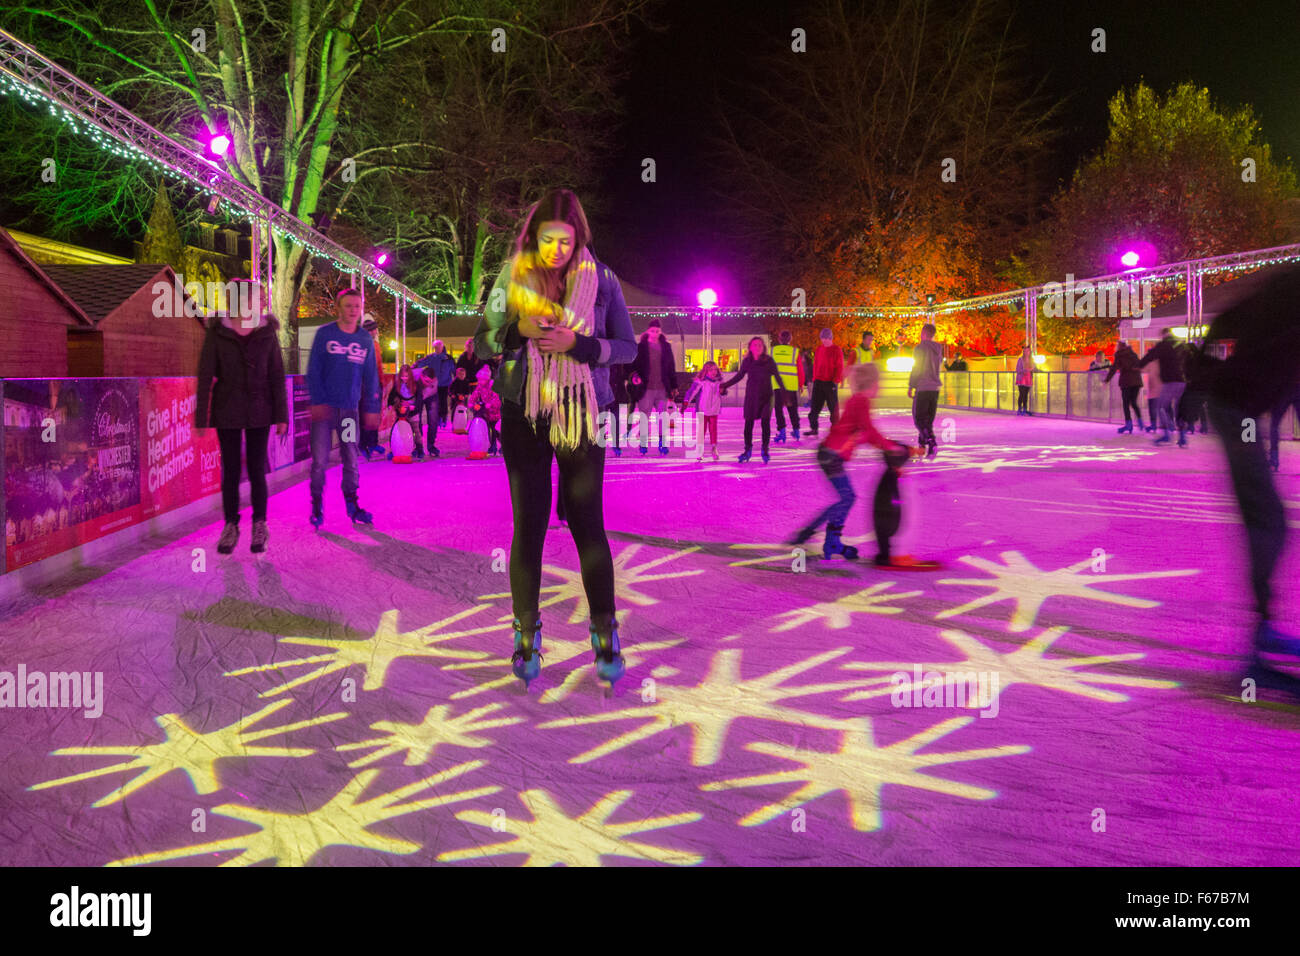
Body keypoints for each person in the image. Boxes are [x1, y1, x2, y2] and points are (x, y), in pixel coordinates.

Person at [472, 188, 637, 687]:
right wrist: (517, 330)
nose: (555, 250)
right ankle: (526, 632)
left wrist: (580, 344)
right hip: (525, 411)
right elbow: (481, 342)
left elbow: (627, 348)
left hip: (583, 413)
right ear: (533, 235)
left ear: (578, 237)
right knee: (530, 525)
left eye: (565, 241)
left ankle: (605, 634)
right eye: (547, 239)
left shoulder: (603, 280)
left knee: (589, 523)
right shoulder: (511, 276)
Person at [1196, 263, 1300, 688]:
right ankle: (1261, 638)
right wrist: (1211, 373)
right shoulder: (1290, 288)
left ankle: (1264, 632)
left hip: (1240, 403)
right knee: (1267, 520)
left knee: (1270, 521)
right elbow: (1227, 328)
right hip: (1235, 408)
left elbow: (1227, 324)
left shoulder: (1286, 286)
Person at [787, 362, 919, 561]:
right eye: (879, 383)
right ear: (872, 383)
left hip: (830, 454)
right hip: (831, 455)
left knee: (846, 498)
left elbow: (868, 436)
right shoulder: (861, 401)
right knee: (847, 498)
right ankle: (817, 533)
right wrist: (892, 447)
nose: (880, 387)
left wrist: (892, 447)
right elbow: (871, 432)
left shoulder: (857, 401)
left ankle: (827, 538)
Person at [195, 281, 288, 554]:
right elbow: (205, 375)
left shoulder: (267, 333)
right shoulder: (217, 333)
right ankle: (231, 525)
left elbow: (277, 375)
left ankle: (260, 523)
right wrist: (202, 416)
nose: (263, 303)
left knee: (257, 469)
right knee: (231, 470)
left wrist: (282, 415)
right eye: (259, 298)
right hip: (228, 408)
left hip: (260, 408)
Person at [306, 288, 381, 526]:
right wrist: (317, 401)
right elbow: (314, 370)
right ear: (338, 308)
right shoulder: (325, 334)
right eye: (348, 306)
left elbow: (370, 377)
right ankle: (316, 506)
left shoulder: (364, 338)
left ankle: (352, 503)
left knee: (350, 456)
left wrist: (371, 407)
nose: (352, 311)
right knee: (319, 461)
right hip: (324, 412)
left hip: (349, 411)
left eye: (357, 307)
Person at [721, 336, 780, 463]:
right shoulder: (747, 361)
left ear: (763, 347)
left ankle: (765, 449)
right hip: (752, 396)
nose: (758, 347)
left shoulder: (769, 360)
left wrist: (785, 392)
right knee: (749, 424)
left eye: (760, 345)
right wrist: (725, 385)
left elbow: (777, 376)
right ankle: (747, 450)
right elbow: (739, 376)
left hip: (766, 396)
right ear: (750, 347)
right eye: (755, 345)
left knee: (765, 423)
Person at [629, 319, 678, 455]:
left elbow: (671, 367)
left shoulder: (666, 347)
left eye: (657, 331)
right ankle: (643, 444)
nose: (655, 333)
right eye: (652, 331)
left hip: (662, 389)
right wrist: (634, 376)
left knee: (662, 417)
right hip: (646, 389)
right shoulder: (641, 347)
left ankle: (663, 444)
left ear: (660, 331)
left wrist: (674, 386)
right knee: (644, 417)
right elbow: (633, 365)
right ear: (648, 331)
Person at [1138, 328, 1187, 446]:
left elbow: (1151, 355)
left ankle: (1166, 435)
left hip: (1170, 382)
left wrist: (1139, 364)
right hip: (1182, 382)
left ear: (1164, 335)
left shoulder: (1164, 345)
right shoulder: (1181, 345)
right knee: (1179, 410)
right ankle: (1182, 438)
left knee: (1161, 407)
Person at [908, 323, 942, 458]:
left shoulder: (919, 348)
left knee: (918, 419)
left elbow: (917, 368)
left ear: (923, 333)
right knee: (927, 420)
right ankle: (922, 445)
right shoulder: (938, 348)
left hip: (923, 387)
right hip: (935, 388)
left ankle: (931, 441)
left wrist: (911, 385)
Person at [682, 360, 723, 461]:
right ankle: (699, 450)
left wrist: (723, 390)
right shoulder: (701, 382)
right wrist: (685, 403)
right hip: (702, 410)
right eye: (711, 370)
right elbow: (691, 392)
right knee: (701, 431)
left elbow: (723, 392)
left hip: (714, 409)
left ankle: (714, 448)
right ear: (706, 371)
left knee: (713, 429)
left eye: (715, 370)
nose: (714, 372)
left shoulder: (719, 382)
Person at [807, 328, 844, 435]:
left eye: (826, 338)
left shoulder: (837, 350)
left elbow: (839, 366)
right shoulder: (819, 349)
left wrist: (836, 380)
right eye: (823, 338)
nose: (824, 340)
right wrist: (814, 378)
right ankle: (814, 428)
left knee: (833, 407)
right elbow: (816, 365)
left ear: (830, 338)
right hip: (818, 382)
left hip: (830, 383)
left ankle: (836, 428)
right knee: (814, 407)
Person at [359, 317, 386, 459]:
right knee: (366, 415)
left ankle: (373, 442)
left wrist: (381, 382)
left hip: (376, 384)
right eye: (374, 329)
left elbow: (378, 366)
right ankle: (363, 444)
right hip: (367, 384)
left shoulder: (375, 345)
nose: (376, 331)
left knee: (375, 414)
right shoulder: (362, 344)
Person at [1105, 340, 1144, 433]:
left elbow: (1114, 368)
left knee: (1126, 403)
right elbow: (1139, 365)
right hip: (1136, 382)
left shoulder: (1119, 355)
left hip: (1126, 382)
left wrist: (1107, 380)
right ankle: (1140, 421)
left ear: (1120, 346)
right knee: (1133, 402)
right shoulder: (1133, 354)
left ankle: (1129, 424)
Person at [771, 330, 804, 442]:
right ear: (790, 339)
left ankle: (782, 432)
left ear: (779, 339)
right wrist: (801, 384)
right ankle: (796, 431)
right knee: (792, 409)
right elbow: (800, 369)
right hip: (790, 385)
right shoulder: (795, 352)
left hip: (777, 385)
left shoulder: (773, 351)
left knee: (778, 409)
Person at [387, 364, 425, 459]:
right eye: (402, 376)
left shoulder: (416, 385)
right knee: (396, 431)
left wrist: (414, 407)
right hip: (401, 412)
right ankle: (395, 449)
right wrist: (390, 404)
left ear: (410, 376)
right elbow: (391, 396)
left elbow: (420, 400)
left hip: (413, 412)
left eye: (406, 376)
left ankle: (420, 449)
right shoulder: (397, 386)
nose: (404, 378)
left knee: (416, 430)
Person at [416, 340, 456, 429]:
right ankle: (436, 419)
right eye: (436, 347)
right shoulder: (431, 357)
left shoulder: (448, 358)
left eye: (439, 347)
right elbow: (421, 363)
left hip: (445, 384)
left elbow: (454, 370)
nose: (437, 349)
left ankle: (443, 418)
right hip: (433, 385)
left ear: (442, 347)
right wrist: (413, 366)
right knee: (434, 403)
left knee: (443, 402)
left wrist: (456, 380)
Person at [467, 364, 503, 456]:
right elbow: (475, 395)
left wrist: (490, 404)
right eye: (479, 379)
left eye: (481, 379)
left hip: (495, 412)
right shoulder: (479, 386)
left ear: (486, 379)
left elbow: (496, 398)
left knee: (495, 431)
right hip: (486, 413)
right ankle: (491, 446)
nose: (479, 381)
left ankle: (499, 445)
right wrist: (471, 402)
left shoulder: (493, 385)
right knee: (487, 430)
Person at [1268, 381, 1300, 472]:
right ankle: (1273, 460)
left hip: (1284, 387)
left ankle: (1274, 460)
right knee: (1274, 424)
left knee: (1275, 423)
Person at [416, 364, 440, 456]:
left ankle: (431, 446)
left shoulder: (434, 383)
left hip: (431, 396)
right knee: (416, 420)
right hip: (417, 394)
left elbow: (426, 394)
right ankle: (418, 446)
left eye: (430, 382)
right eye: (426, 381)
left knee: (433, 420)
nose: (428, 384)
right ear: (422, 376)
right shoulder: (414, 375)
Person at [1014, 346, 1035, 415]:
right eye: (1026, 351)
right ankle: (1020, 409)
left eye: (1028, 351)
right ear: (1024, 352)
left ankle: (1025, 409)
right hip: (1021, 379)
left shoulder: (1031, 360)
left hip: (1028, 379)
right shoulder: (1020, 359)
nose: (1027, 352)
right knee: (1022, 394)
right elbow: (1017, 369)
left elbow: (1034, 368)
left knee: (1025, 395)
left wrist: (1033, 369)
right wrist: (1025, 370)